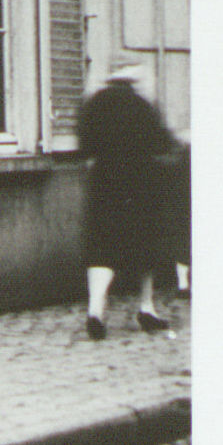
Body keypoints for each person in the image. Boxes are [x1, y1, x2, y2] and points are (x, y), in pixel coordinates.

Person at [79, 59, 179, 340]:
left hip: (102, 184)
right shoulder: (141, 105)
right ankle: (146, 307)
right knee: (145, 246)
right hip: (139, 185)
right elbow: (162, 143)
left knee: (102, 248)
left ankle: (95, 309)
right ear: (132, 76)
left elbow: (83, 146)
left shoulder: (94, 104)